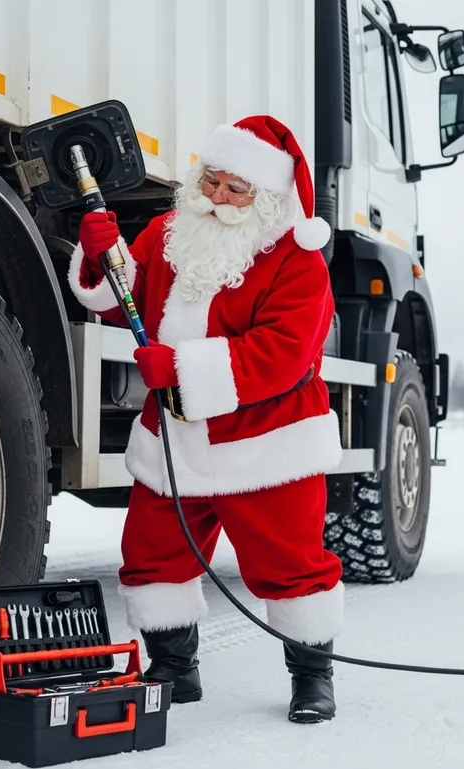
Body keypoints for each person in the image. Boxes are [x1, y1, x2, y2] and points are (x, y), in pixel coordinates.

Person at [67, 115, 344, 723]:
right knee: (151, 555)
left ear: (266, 199)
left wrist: (183, 368)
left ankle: (312, 679)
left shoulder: (296, 259)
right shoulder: (170, 230)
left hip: (268, 444)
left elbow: (285, 354)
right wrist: (102, 255)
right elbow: (123, 298)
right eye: (211, 181)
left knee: (291, 565)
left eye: (236, 189)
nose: (218, 197)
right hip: (175, 439)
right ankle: (172, 668)